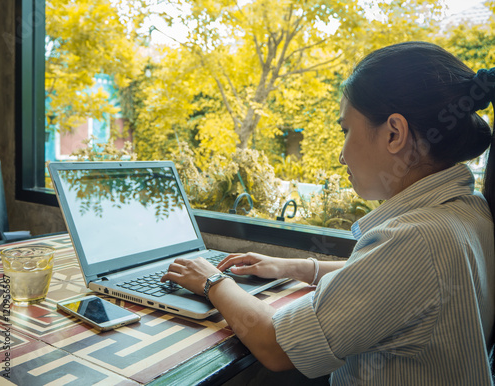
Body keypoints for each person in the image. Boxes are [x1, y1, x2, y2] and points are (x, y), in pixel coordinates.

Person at [161, 41, 495, 385]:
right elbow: (385, 276)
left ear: (394, 133)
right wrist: (297, 267)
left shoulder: (416, 240)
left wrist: (211, 280)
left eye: (346, 131)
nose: (341, 156)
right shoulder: (465, 212)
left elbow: (276, 345)